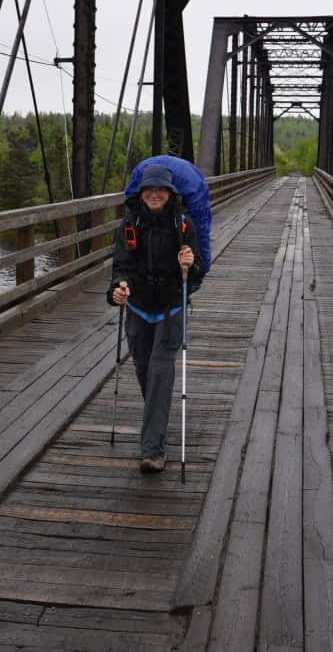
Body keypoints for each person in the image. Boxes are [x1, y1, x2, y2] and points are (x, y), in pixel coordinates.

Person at [107, 163, 204, 473]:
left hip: (171, 306)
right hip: (138, 306)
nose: (154, 194)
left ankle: (153, 450)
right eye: (149, 189)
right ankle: (157, 416)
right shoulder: (129, 223)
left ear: (169, 193)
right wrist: (117, 291)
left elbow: (199, 267)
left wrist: (189, 261)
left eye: (160, 189)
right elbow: (121, 267)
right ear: (142, 192)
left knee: (161, 371)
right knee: (145, 369)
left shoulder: (183, 223)